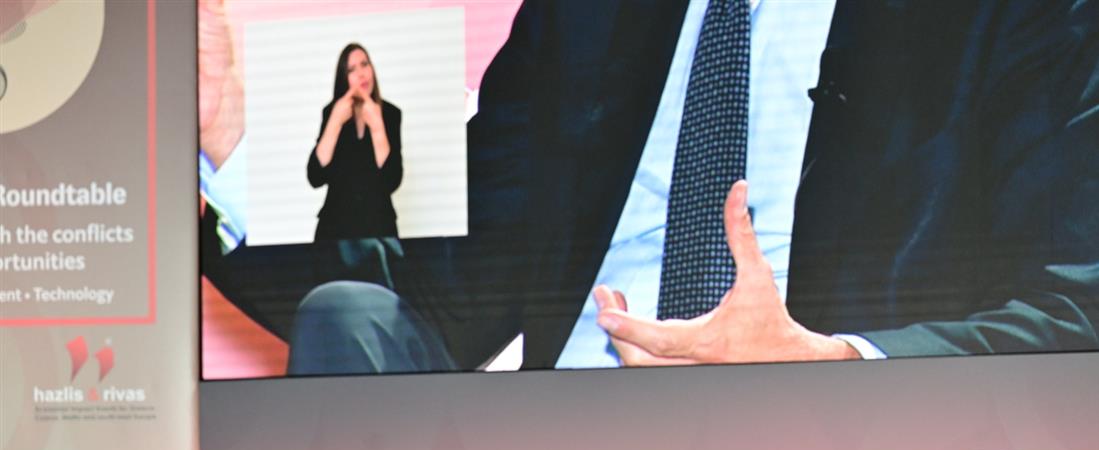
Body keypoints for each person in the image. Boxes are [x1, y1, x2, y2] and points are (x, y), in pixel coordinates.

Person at [200, 0, 1099, 375]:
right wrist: (230, 136)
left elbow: (1072, 305)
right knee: (350, 313)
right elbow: (440, 285)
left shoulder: (1010, 16)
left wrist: (834, 363)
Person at [308, 42, 403, 242]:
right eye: (352, 70)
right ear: (344, 79)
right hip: (335, 231)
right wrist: (335, 122)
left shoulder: (391, 114)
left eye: (364, 64)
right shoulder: (332, 112)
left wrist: (377, 126)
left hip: (379, 230)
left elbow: (392, 180)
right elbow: (315, 176)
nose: (361, 74)